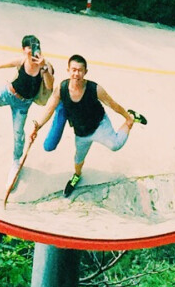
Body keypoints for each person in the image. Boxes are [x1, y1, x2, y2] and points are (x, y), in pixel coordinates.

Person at [29, 53, 146, 196]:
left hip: (99, 125)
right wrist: (38, 126)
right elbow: (49, 108)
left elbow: (113, 104)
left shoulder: (95, 89)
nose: (76, 73)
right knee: (78, 159)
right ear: (68, 70)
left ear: (85, 72)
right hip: (81, 133)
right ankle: (76, 176)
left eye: (80, 70)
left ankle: (132, 118)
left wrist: (126, 117)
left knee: (115, 145)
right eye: (73, 69)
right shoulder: (62, 88)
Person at [0, 35, 55, 185]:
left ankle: (16, 161)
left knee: (18, 133)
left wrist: (44, 68)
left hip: (23, 105)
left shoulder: (46, 65)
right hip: (8, 94)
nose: (33, 52)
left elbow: (50, 86)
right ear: (24, 50)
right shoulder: (21, 60)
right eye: (30, 48)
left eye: (36, 48)